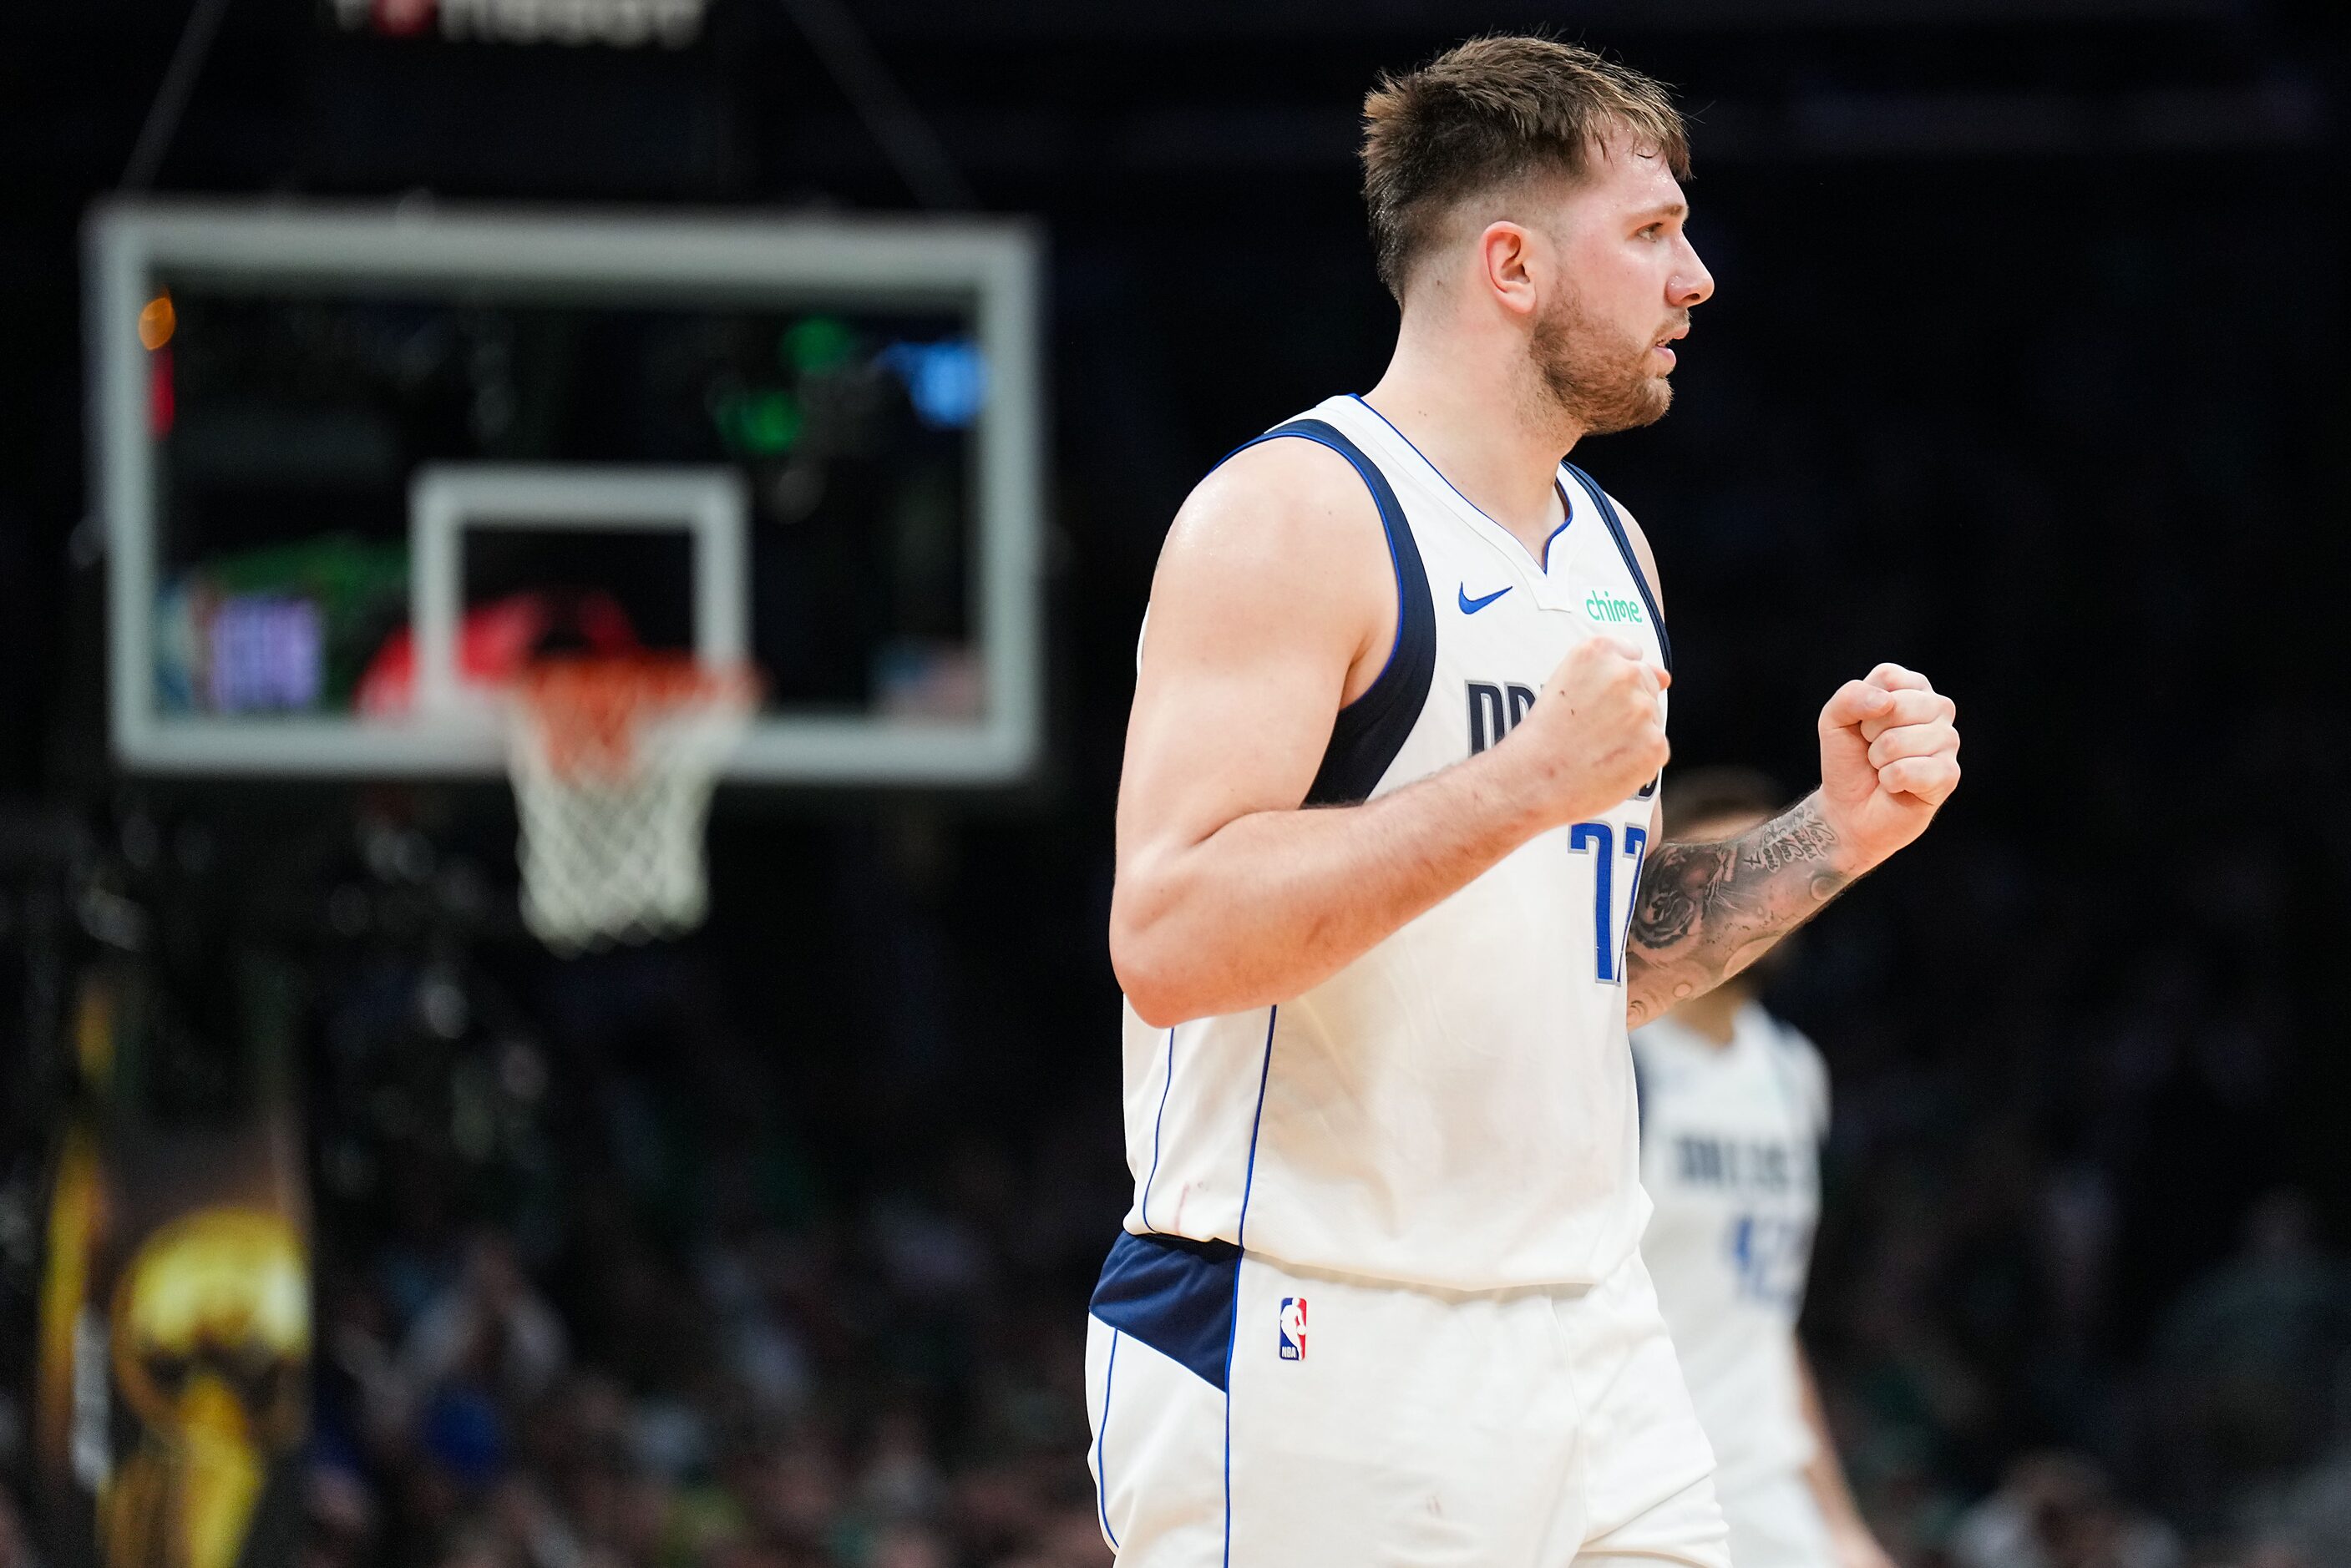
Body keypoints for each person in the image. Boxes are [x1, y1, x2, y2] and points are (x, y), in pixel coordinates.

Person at [1089, 34, 1963, 1568]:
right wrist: (1520, 784)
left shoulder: (1613, 555)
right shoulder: (1294, 514)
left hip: (1591, 1337)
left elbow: (1592, 969)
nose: (1695, 279)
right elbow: (1170, 932)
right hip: (1320, 1332)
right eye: (1650, 232)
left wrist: (1836, 835)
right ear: (1509, 263)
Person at [1630, 768, 1894, 1568]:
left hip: (1762, 1484)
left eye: (1782, 870)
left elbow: (1765, 1320)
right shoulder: (1613, 1058)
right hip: (1634, 1477)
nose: (1762, 897)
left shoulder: (1790, 1070)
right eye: (1731, 870)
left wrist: (1839, 1523)